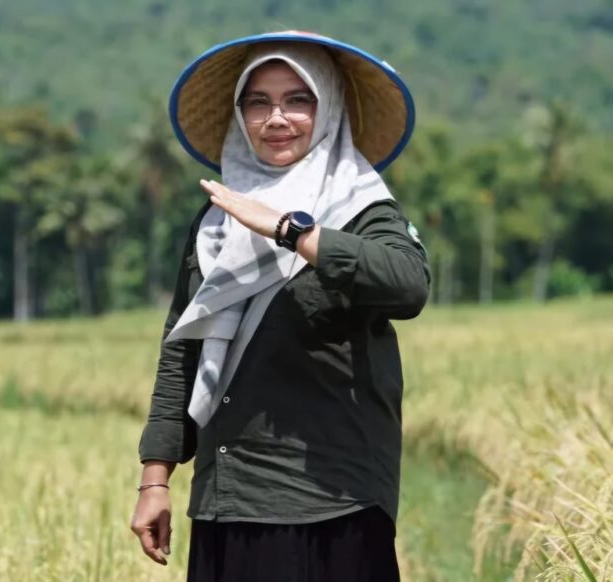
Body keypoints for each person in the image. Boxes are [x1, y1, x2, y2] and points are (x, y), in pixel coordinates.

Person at [130, 31, 430, 582]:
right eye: (258, 102)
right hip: (226, 496)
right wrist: (155, 478)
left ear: (329, 108)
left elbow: (408, 285)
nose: (276, 119)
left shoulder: (362, 209)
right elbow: (181, 350)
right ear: (239, 114)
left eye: (298, 100)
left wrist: (290, 230)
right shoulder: (217, 220)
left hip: (332, 499)